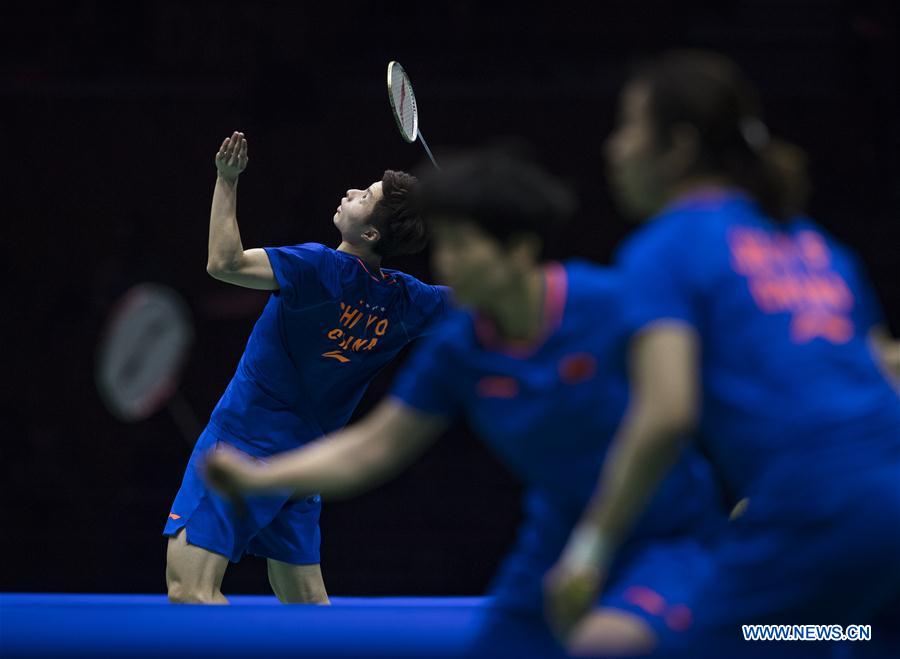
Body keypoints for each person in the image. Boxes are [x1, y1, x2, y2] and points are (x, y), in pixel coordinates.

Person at [203, 150, 724, 656]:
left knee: (614, 644)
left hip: (664, 532)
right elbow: (374, 448)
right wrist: (257, 479)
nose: (448, 260)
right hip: (557, 537)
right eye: (444, 245)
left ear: (518, 249)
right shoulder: (460, 351)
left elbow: (688, 401)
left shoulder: (606, 303)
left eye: (463, 245)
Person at [544, 51, 900, 656]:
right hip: (887, 505)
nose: (615, 148)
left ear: (677, 147)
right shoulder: (814, 244)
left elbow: (666, 413)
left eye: (630, 126)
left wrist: (588, 550)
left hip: (814, 510)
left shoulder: (666, 246)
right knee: (832, 635)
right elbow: (886, 370)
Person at [164, 132, 450, 605]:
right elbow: (492, 307)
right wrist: (479, 230)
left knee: (189, 591)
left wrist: (227, 180)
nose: (352, 192)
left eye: (365, 197)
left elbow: (223, 262)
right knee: (307, 604)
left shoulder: (317, 267)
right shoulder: (410, 302)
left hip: (240, 444)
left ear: (373, 234)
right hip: (303, 464)